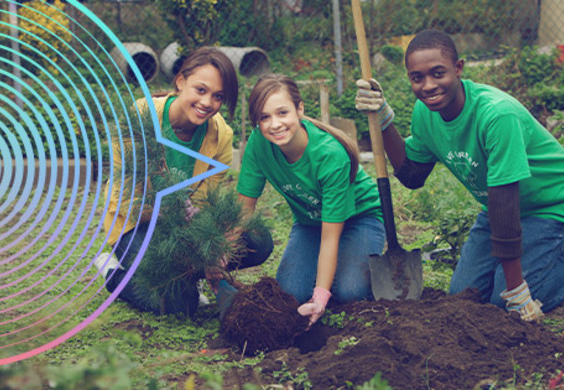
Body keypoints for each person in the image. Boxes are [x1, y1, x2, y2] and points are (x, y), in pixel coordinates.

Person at [355, 29, 564, 322]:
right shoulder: (425, 113)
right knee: (463, 297)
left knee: (505, 306)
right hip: (496, 210)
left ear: (459, 68)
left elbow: (505, 205)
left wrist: (517, 290)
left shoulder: (496, 115)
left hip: (550, 208)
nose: (428, 85)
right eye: (417, 78)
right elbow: (412, 174)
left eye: (438, 73)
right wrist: (384, 117)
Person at [96, 47, 273, 316]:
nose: (207, 103)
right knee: (181, 304)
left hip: (184, 224)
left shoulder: (220, 135)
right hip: (136, 226)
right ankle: (113, 273)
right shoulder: (141, 119)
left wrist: (212, 245)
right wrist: (168, 211)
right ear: (180, 82)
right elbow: (125, 200)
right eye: (200, 90)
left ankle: (189, 275)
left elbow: (204, 203)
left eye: (218, 96)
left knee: (259, 241)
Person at [237, 74, 386, 329]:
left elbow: (330, 237)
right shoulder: (258, 144)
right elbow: (243, 212)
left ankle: (357, 261)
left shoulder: (330, 155)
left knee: (349, 291)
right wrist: (219, 260)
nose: (275, 124)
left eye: (283, 113)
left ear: (300, 109)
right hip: (309, 223)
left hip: (360, 218)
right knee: (290, 292)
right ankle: (339, 269)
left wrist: (320, 297)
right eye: (264, 117)